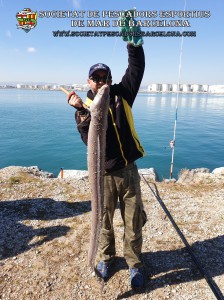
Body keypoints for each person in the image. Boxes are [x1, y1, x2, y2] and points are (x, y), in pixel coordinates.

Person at [68, 20, 147, 289]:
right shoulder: (86, 106)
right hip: (102, 175)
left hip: (128, 171)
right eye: (96, 78)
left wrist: (133, 44)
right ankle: (104, 258)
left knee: (134, 221)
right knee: (103, 221)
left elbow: (136, 69)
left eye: (105, 77)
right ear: (89, 81)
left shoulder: (122, 94)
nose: (101, 81)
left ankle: (134, 264)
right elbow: (86, 140)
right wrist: (80, 112)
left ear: (110, 80)